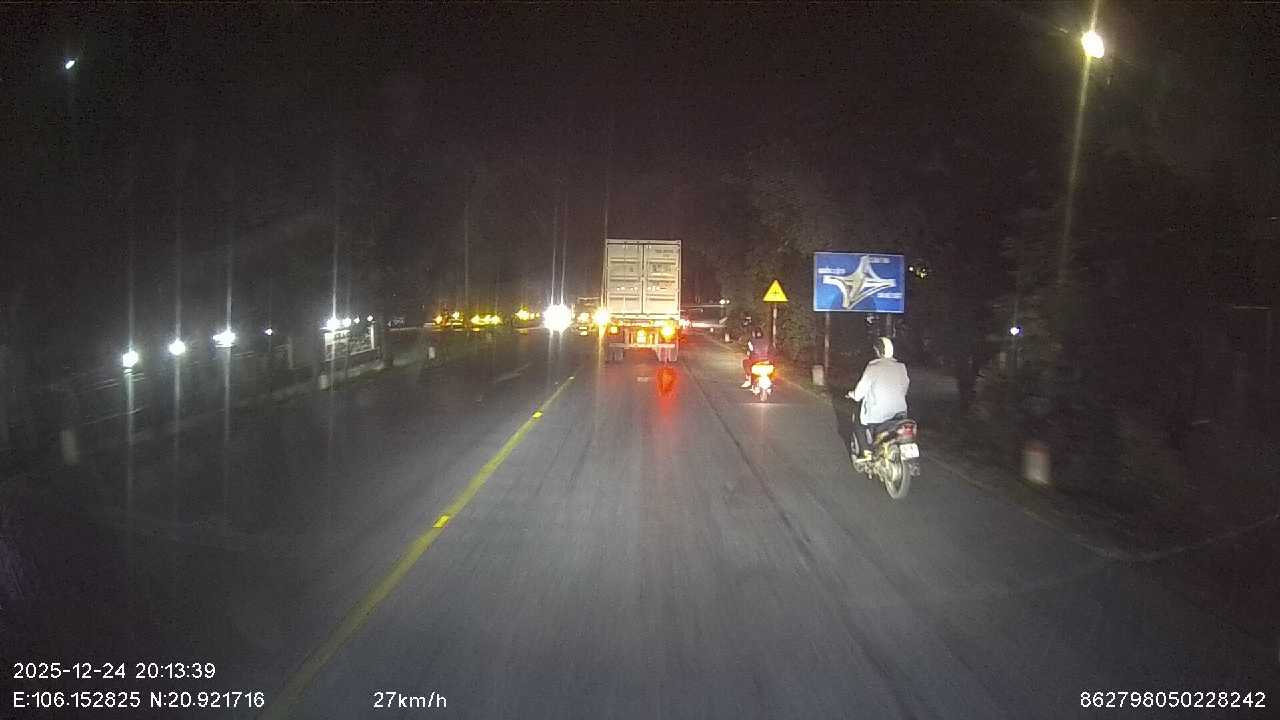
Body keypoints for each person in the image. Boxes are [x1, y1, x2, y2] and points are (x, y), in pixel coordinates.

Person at [847, 336, 909, 460]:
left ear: (877, 351)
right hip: (900, 413)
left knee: (858, 423)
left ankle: (866, 452)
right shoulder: (901, 367)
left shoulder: (873, 367)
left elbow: (859, 393)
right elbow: (905, 388)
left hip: (878, 415)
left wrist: (852, 394)